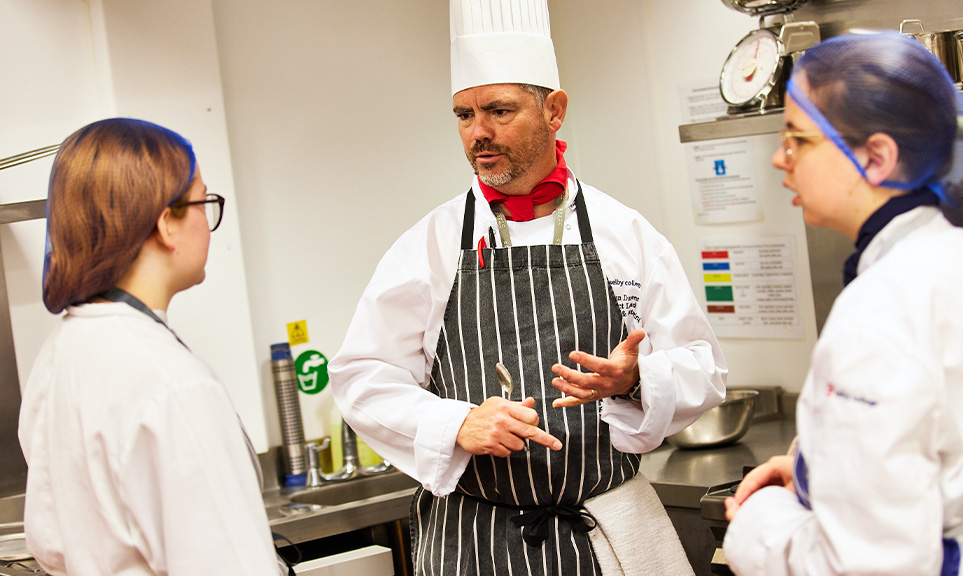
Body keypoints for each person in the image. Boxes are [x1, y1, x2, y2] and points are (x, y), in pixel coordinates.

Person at [329, 1, 727, 574]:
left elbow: (703, 367)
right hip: (473, 541)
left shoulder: (626, 234)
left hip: (607, 531)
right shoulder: (431, 243)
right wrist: (455, 424)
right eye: (464, 115)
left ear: (555, 110)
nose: (479, 133)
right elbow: (363, 377)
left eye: (499, 110)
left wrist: (637, 377)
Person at [722, 32, 963, 576]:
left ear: (876, 156)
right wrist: (815, 472)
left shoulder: (880, 310)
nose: (778, 158)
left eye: (797, 139)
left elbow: (859, 566)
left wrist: (756, 522)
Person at [18, 118, 286, 575]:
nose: (208, 219)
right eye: (203, 201)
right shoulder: (173, 386)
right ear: (167, 224)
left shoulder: (61, 354)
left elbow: (49, 542)